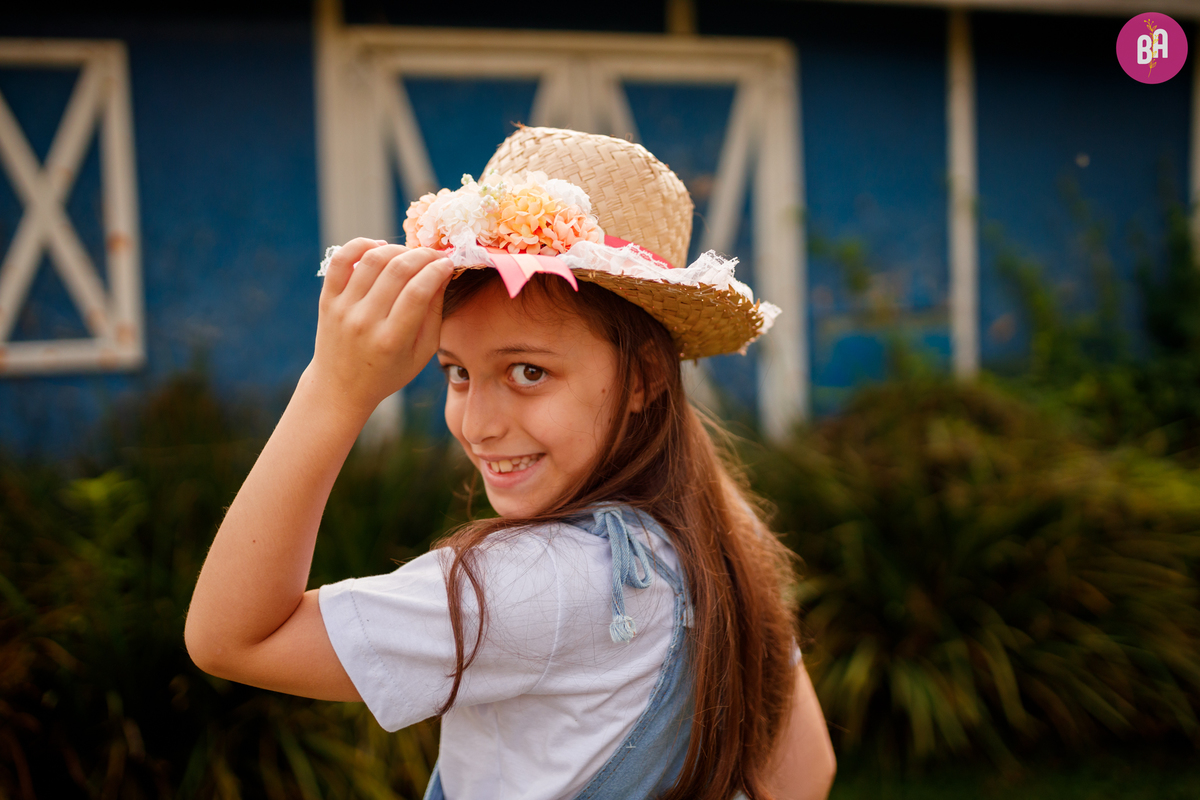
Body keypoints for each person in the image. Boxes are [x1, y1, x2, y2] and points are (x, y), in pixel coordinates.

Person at [185, 127, 835, 800]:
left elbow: (231, 639)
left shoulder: (533, 582)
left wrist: (333, 391)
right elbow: (808, 775)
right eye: (457, 372)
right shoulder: (722, 546)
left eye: (528, 371)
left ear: (645, 378)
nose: (478, 424)